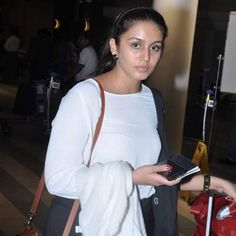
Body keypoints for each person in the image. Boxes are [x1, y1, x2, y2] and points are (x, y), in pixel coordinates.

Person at [44, 7, 236, 236]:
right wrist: (132, 178)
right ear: (115, 46)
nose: (146, 57)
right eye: (136, 45)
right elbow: (57, 180)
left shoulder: (152, 99)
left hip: (140, 222)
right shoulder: (85, 97)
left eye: (155, 47)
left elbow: (157, 176)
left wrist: (218, 183)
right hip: (90, 222)